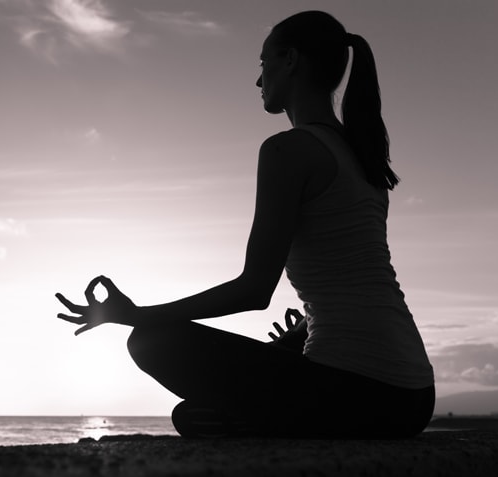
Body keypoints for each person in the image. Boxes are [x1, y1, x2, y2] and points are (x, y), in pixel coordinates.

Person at [56, 10, 434, 438]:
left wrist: (134, 314)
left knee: (149, 341)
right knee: (192, 417)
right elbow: (357, 281)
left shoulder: (288, 151)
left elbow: (255, 290)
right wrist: (306, 328)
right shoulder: (361, 158)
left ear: (290, 60)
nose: (259, 80)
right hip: (414, 397)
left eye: (263, 63)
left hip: (359, 395)